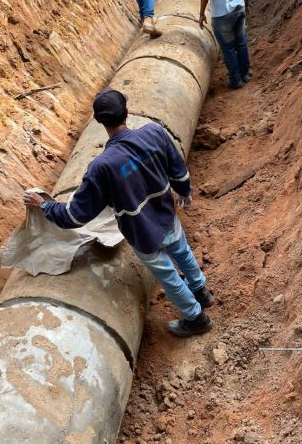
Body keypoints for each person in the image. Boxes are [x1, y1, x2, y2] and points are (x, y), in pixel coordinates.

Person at [23, 89, 213, 338]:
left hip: (142, 231)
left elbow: (76, 216)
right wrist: (184, 190)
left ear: (99, 121)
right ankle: (201, 291)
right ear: (126, 111)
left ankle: (195, 317)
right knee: (182, 250)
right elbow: (178, 170)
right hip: (166, 213)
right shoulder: (154, 132)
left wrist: (45, 205)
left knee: (168, 276)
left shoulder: (102, 167)